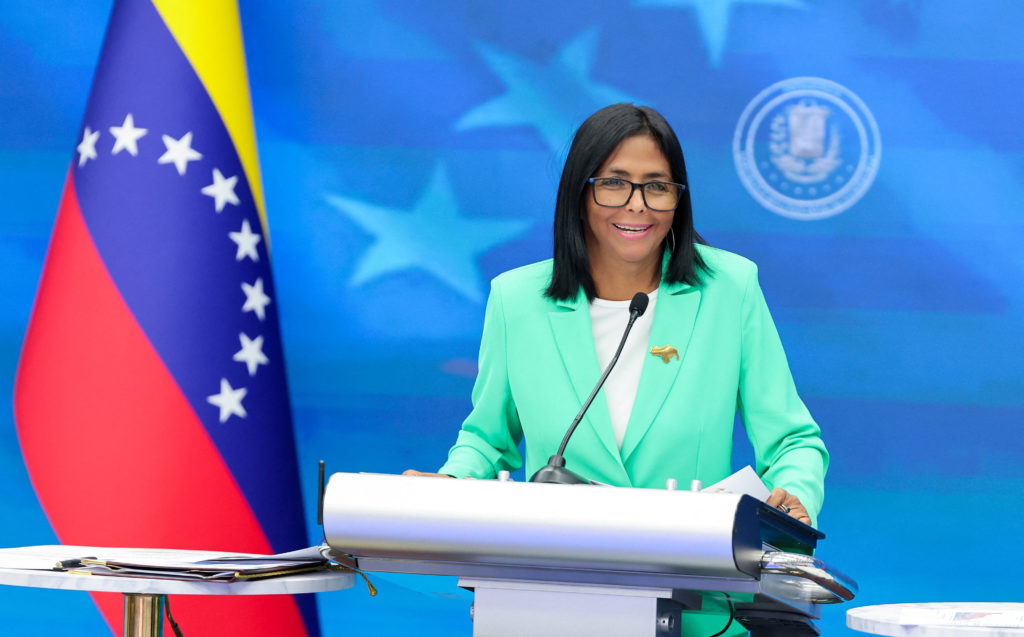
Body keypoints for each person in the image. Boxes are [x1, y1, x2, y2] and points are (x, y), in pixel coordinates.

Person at [405, 104, 827, 632]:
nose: (637, 205)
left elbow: (794, 441)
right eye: (614, 183)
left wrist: (794, 496)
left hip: (697, 610)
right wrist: (446, 485)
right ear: (579, 194)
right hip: (552, 602)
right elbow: (487, 441)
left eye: (657, 186)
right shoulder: (517, 300)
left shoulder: (729, 289)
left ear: (679, 198)